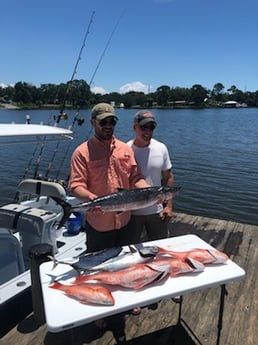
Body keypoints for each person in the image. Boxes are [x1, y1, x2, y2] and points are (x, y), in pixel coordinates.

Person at [68, 102, 150, 252]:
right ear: (93, 122)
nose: (108, 125)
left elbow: (135, 177)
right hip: (100, 225)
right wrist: (90, 197)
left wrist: (148, 192)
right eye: (103, 122)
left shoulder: (125, 149)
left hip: (125, 221)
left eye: (112, 121)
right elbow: (75, 185)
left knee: (127, 263)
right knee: (99, 268)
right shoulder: (82, 152)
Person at [127, 110, 174, 243]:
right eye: (144, 127)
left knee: (160, 247)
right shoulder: (125, 149)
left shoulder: (161, 148)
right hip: (132, 213)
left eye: (151, 127)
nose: (148, 131)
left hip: (157, 211)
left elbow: (168, 177)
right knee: (131, 250)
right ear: (134, 127)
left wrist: (168, 206)